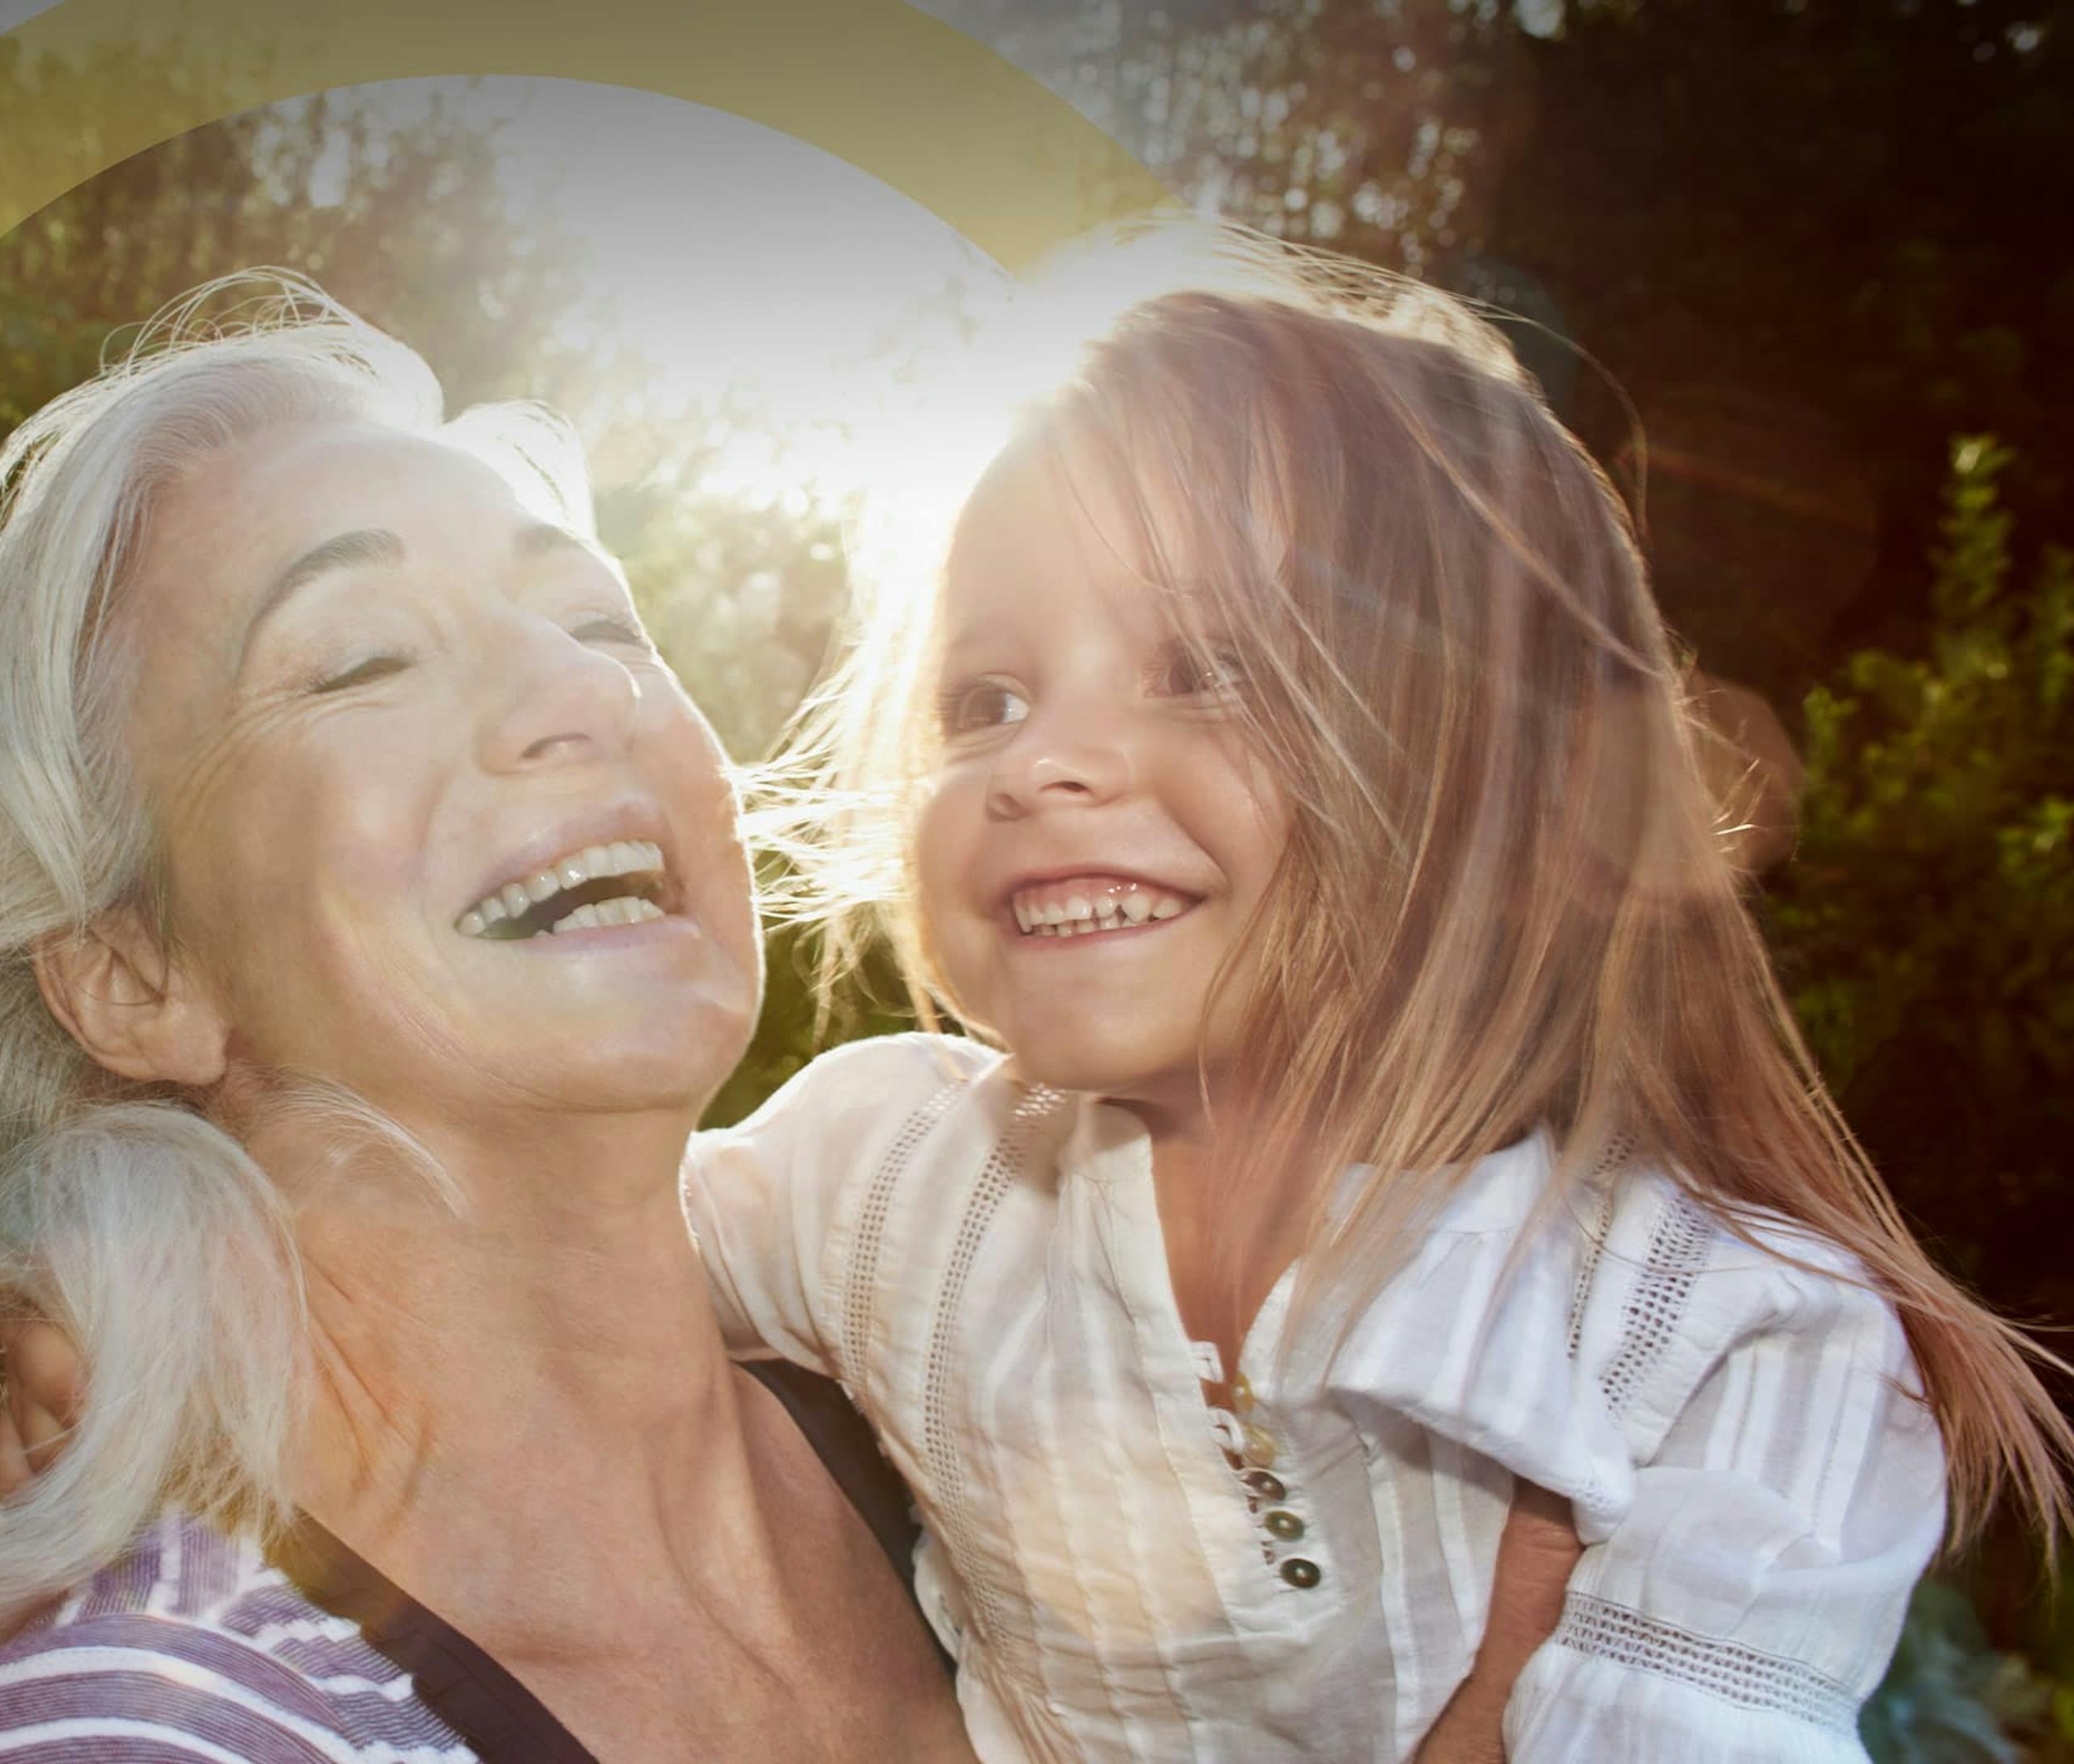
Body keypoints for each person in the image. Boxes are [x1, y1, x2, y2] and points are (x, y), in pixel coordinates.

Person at [671, 224, 2074, 1759]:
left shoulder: (1727, 1340)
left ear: (1513, 786)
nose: (1040, 762)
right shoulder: (881, 1176)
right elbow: (478, 1281)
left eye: (1205, 666)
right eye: (985, 699)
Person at [0, 275, 975, 1763]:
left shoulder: (1003, 1416)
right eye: (365, 656)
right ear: (135, 976)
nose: (577, 687)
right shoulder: (151, 1737)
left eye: (599, 617)